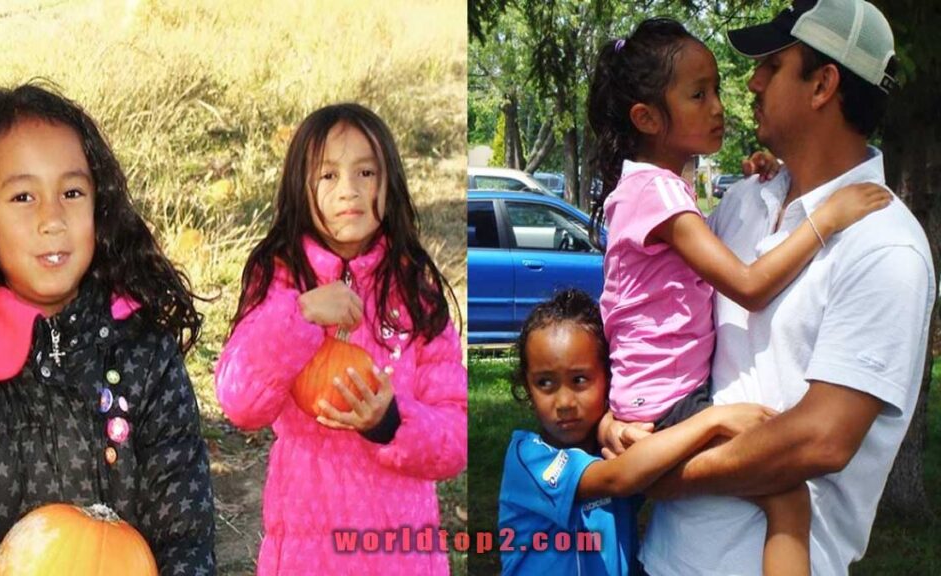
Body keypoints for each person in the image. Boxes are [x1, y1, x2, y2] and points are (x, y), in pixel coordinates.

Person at [598, 2, 935, 575]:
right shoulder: (741, 202)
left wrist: (659, 474)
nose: (750, 82)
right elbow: (664, 325)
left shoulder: (885, 247)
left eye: (773, 66)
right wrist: (616, 421)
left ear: (823, 84)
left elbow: (819, 441)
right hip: (663, 558)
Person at [0, 83, 216, 573]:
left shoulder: (145, 354)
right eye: (22, 196)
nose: (52, 218)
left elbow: (185, 530)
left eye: (72, 192)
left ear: (98, 208)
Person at [214, 103, 467, 575]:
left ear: (389, 183)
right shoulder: (281, 281)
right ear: (299, 187)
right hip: (308, 555)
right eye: (327, 175)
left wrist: (391, 421)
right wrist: (302, 313)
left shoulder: (415, 292)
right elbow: (240, 401)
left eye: (365, 172)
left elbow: (456, 435)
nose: (348, 190)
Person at [498, 289, 778, 576]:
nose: (565, 402)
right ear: (527, 389)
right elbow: (618, 478)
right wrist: (713, 420)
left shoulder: (611, 448)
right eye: (545, 383)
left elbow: (665, 469)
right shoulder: (528, 459)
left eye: (579, 380)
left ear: (609, 378)